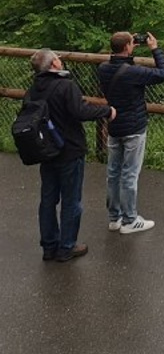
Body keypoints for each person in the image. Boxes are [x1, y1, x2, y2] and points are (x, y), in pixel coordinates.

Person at [28, 49, 114, 262]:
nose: (61, 61)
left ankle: (49, 246)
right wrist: (107, 111)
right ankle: (67, 246)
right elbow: (80, 111)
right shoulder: (66, 86)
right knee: (71, 199)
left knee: (48, 198)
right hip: (69, 149)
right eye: (58, 58)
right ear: (54, 65)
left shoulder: (34, 88)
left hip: (46, 150)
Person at [97, 31, 164, 235]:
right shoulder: (133, 72)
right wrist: (155, 49)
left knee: (113, 172)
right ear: (128, 47)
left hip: (114, 126)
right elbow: (163, 73)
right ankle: (130, 220)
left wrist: (127, 49)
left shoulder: (103, 69)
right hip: (134, 128)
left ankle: (115, 218)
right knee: (130, 174)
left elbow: (119, 65)